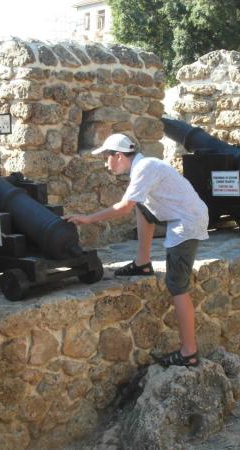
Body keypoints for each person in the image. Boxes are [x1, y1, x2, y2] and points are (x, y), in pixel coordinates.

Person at [65, 133, 209, 367]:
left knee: (177, 287)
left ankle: (189, 352)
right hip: (181, 217)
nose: (106, 164)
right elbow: (136, 205)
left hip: (186, 223)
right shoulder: (144, 166)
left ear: (118, 156)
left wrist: (88, 219)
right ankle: (142, 263)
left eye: (106, 158)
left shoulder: (144, 168)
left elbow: (123, 208)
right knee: (142, 205)